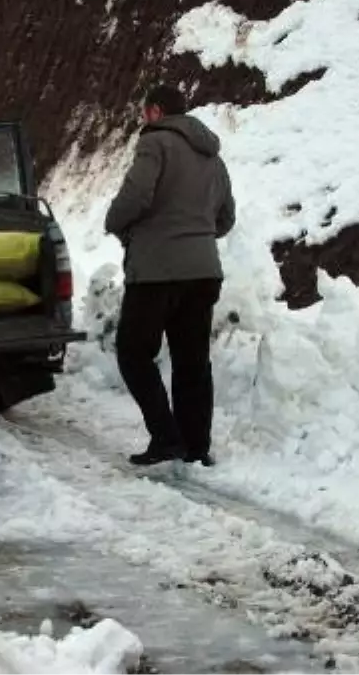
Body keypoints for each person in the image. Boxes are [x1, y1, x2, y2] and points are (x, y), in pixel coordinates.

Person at [103, 85, 236, 468]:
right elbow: (225, 216)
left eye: (145, 112)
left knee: (133, 352)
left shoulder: (155, 143)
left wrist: (115, 222)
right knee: (192, 361)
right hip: (204, 271)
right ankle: (196, 446)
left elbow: (136, 196)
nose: (144, 120)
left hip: (156, 272)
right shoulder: (212, 156)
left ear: (156, 111)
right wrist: (197, 237)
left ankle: (166, 437)